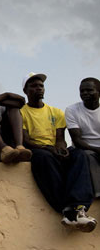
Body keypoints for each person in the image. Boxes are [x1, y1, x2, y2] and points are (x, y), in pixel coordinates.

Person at [21, 72, 96, 232]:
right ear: (25, 91)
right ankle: (66, 209)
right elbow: (25, 140)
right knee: (43, 158)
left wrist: (61, 149)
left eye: (41, 85)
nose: (38, 88)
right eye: (33, 86)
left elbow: (60, 138)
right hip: (38, 150)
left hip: (53, 149)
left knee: (80, 154)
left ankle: (78, 207)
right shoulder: (21, 112)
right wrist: (49, 149)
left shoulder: (56, 111)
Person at [66, 78, 100, 198]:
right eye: (82, 91)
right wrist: (97, 150)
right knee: (88, 156)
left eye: (89, 90)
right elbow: (77, 140)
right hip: (85, 149)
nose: (85, 93)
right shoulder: (72, 110)